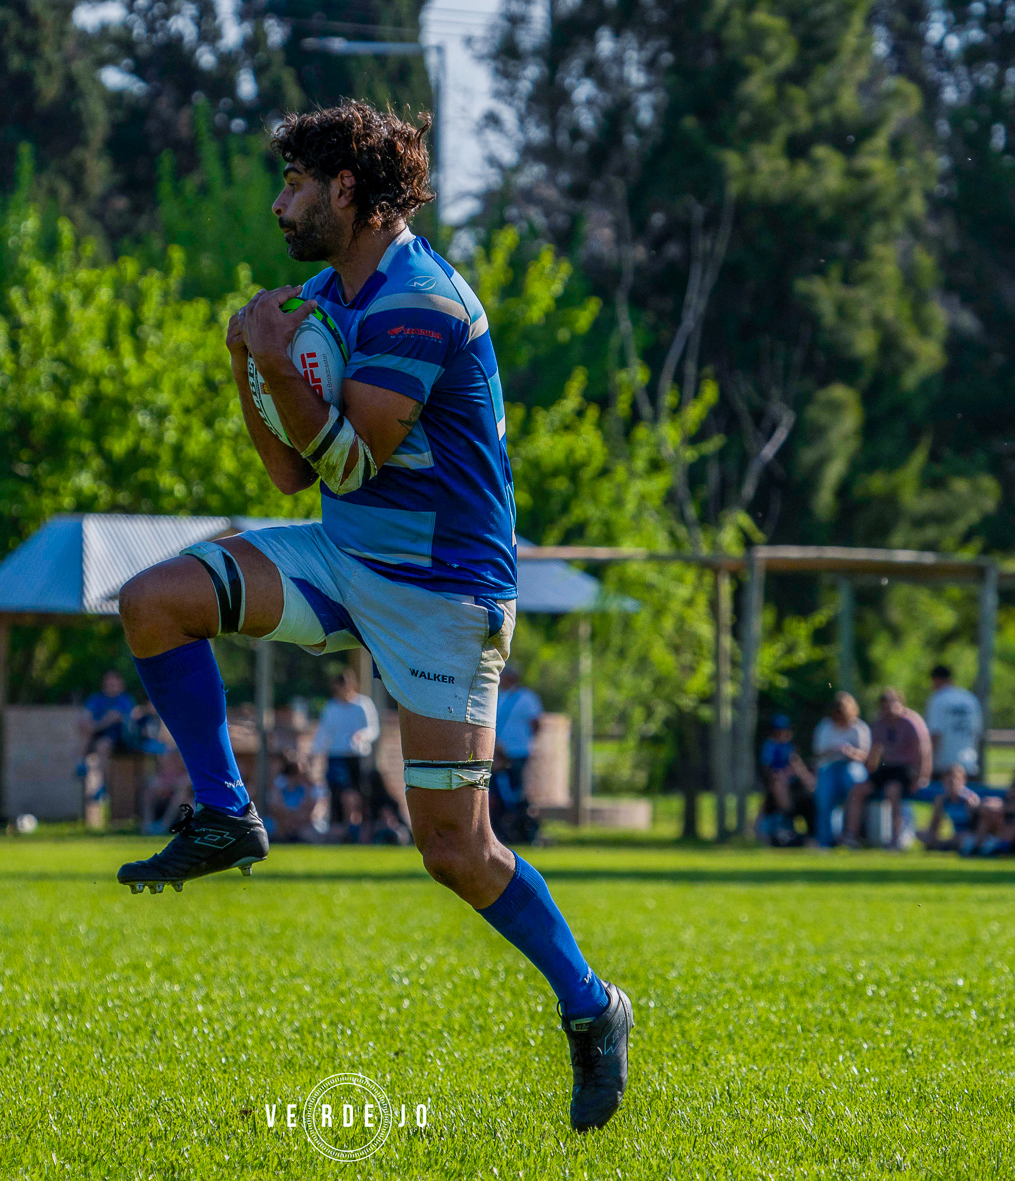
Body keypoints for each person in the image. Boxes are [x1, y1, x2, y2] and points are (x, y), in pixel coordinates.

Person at [109, 103, 630, 1130]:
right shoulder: (319, 299)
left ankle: (591, 1003)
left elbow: (349, 461)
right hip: (345, 556)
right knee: (152, 601)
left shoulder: (422, 302)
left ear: (347, 189)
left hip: (443, 591)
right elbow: (290, 474)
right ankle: (225, 810)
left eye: (295, 181)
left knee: (454, 850)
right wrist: (247, 361)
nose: (279, 203)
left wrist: (274, 361)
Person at [845, 688, 932, 850]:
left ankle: (895, 838)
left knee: (892, 790)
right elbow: (874, 751)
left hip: (906, 769)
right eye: (885, 707)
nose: (889, 710)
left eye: (892, 705)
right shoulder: (880, 723)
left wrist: (922, 777)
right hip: (887, 766)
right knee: (858, 790)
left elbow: (923, 751)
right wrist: (869, 769)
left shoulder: (911, 722)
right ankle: (851, 836)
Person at [310, 669, 380, 843]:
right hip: (337, 756)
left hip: (357, 756)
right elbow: (323, 732)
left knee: (358, 793)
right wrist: (314, 753)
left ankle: (359, 827)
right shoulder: (331, 707)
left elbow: (373, 729)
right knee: (339, 792)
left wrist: (362, 735)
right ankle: (341, 828)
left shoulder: (363, 704)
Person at [493, 663, 545, 845]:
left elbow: (536, 723)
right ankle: (502, 828)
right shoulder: (497, 696)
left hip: (518, 752)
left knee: (516, 792)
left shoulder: (527, 698)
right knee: (498, 793)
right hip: (498, 753)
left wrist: (526, 743)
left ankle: (520, 827)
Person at [812, 692, 871, 847]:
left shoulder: (859, 727)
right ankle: (825, 840)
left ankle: (851, 835)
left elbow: (865, 756)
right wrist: (833, 750)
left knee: (854, 786)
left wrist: (850, 752)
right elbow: (818, 752)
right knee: (824, 797)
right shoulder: (826, 726)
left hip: (851, 766)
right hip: (829, 766)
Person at [79, 669, 136, 804]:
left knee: (103, 743)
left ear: (120, 683)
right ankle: (81, 762)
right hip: (96, 734)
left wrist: (96, 726)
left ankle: (102, 785)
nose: (110, 685)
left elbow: (122, 719)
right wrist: (87, 722)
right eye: (108, 681)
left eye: (113, 682)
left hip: (120, 738)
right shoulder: (96, 699)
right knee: (85, 726)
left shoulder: (125, 700)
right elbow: (85, 715)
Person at [757, 714, 816, 844]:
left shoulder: (790, 747)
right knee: (779, 782)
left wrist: (797, 771)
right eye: (779, 732)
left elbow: (797, 767)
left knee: (809, 781)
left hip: (795, 786)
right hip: (778, 787)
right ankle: (788, 815)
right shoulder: (770, 746)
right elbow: (768, 770)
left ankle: (815, 834)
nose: (783, 735)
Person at [925, 664, 982, 779]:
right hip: (968, 763)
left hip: (944, 766)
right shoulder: (970, 698)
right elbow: (977, 732)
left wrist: (927, 763)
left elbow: (936, 734)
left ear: (936, 680)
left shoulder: (938, 699)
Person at [921, 763, 986, 851]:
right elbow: (934, 825)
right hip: (957, 835)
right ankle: (941, 845)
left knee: (961, 839)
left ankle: (944, 845)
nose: (952, 783)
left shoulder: (969, 799)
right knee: (921, 834)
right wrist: (930, 836)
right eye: (948, 781)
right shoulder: (942, 800)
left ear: (963, 781)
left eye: (955, 780)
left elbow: (977, 825)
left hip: (971, 835)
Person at [263, 755, 328, 843]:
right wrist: (288, 820)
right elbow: (275, 808)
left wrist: (296, 821)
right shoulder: (279, 786)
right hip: (283, 824)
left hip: (303, 825)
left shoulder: (310, 788)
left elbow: (312, 812)